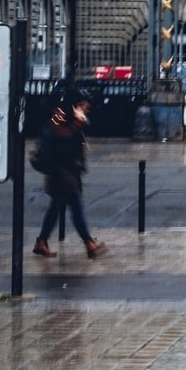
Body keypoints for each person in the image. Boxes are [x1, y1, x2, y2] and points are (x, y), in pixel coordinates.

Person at [31, 98, 105, 259]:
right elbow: (62, 142)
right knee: (75, 207)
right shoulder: (61, 120)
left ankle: (42, 241)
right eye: (82, 107)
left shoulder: (73, 123)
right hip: (61, 173)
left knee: (57, 207)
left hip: (67, 173)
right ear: (73, 107)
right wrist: (78, 126)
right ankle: (88, 243)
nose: (85, 111)